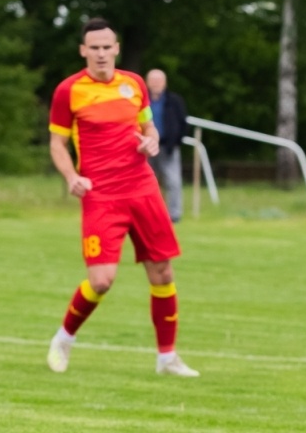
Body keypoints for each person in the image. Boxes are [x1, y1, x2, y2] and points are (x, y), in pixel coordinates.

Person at [46, 19, 197, 377]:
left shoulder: (134, 84)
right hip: (101, 195)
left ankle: (167, 358)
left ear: (116, 48)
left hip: (142, 188)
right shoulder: (69, 91)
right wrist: (71, 176)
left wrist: (153, 139)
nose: (100, 53)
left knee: (162, 271)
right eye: (93, 47)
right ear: (83, 51)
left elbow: (148, 126)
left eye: (106, 46)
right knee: (101, 281)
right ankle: (64, 338)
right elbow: (57, 143)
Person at [146, 68, 189, 223]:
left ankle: (174, 215)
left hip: (167, 147)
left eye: (159, 80)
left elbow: (183, 123)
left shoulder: (174, 101)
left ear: (165, 83)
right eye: (153, 80)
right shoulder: (142, 100)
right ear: (147, 83)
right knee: (147, 182)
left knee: (173, 181)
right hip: (146, 147)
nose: (156, 83)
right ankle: (148, 213)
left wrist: (176, 141)